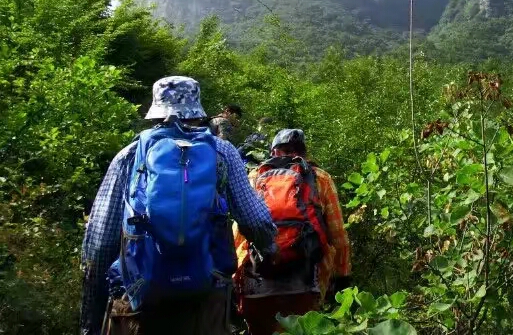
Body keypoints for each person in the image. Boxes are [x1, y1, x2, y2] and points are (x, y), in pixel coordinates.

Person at [80, 77, 278, 335]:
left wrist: (90, 319)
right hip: (205, 296)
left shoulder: (129, 155)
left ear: (155, 110)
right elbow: (255, 220)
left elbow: (99, 243)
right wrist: (269, 250)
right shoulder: (223, 153)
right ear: (197, 109)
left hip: (139, 297)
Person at [234, 129, 352, 335]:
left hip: (257, 281)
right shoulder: (320, 178)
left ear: (273, 151)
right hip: (306, 282)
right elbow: (338, 237)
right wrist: (342, 278)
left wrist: (234, 279)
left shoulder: (254, 178)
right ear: (304, 152)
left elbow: (239, 235)